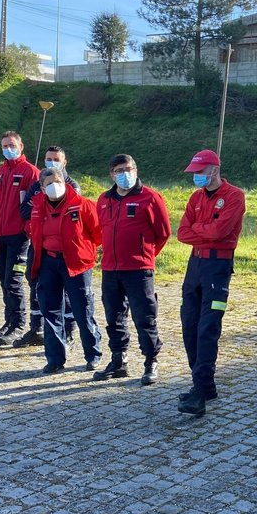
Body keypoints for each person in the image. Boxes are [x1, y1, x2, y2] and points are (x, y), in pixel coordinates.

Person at [176, 149, 246, 417]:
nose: (196, 177)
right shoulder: (195, 198)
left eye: (200, 172)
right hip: (195, 265)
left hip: (218, 267)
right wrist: (204, 234)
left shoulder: (234, 196)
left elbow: (221, 232)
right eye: (194, 173)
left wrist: (200, 232)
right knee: (189, 324)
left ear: (214, 170)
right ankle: (203, 385)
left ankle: (200, 390)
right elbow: (182, 233)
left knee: (207, 327)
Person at [94, 154, 171, 385]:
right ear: (112, 174)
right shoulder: (104, 200)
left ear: (136, 170)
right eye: (119, 170)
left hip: (139, 269)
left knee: (144, 317)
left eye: (128, 169)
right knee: (113, 318)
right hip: (110, 269)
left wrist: (145, 255)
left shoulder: (150, 198)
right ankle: (119, 361)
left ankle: (150, 361)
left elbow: (163, 233)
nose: (124, 174)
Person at [28, 167, 102, 375]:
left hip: (76, 264)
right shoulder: (37, 207)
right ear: (42, 188)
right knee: (50, 311)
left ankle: (93, 355)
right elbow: (34, 234)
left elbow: (98, 233)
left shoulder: (83, 204)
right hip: (48, 263)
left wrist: (83, 252)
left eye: (58, 180)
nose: (54, 185)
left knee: (82, 310)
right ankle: (55, 358)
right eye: (49, 183)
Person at [17, 145, 81, 349]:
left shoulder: (72, 186)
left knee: (66, 293)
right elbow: (24, 211)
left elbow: (70, 218)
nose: (51, 162)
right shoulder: (38, 185)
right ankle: (36, 328)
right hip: (38, 247)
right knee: (36, 286)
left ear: (64, 162)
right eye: (48, 158)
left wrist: (41, 212)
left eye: (56, 159)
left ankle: (68, 332)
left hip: (64, 251)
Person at [0, 131, 40, 344]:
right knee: (3, 280)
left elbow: (35, 205)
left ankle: (18, 324)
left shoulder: (31, 172)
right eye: (5, 145)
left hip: (18, 236)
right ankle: (8, 320)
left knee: (13, 280)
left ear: (21, 146)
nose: (8, 149)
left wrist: (27, 229)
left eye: (12, 145)